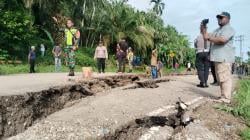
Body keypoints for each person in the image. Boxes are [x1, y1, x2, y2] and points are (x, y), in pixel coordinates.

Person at [204, 12, 235, 103]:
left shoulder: (229, 29)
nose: (219, 19)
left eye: (222, 17)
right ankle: (223, 96)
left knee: (225, 78)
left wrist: (210, 38)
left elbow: (222, 40)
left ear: (228, 19)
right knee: (220, 78)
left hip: (224, 57)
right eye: (218, 17)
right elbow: (206, 36)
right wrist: (204, 26)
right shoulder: (217, 30)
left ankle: (226, 98)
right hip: (217, 58)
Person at [194, 20, 210, 88]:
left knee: (200, 69)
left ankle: (202, 82)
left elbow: (195, 45)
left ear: (201, 30)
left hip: (199, 53)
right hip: (207, 53)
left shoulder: (198, 37)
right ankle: (205, 82)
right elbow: (212, 45)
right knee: (206, 69)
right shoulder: (209, 36)